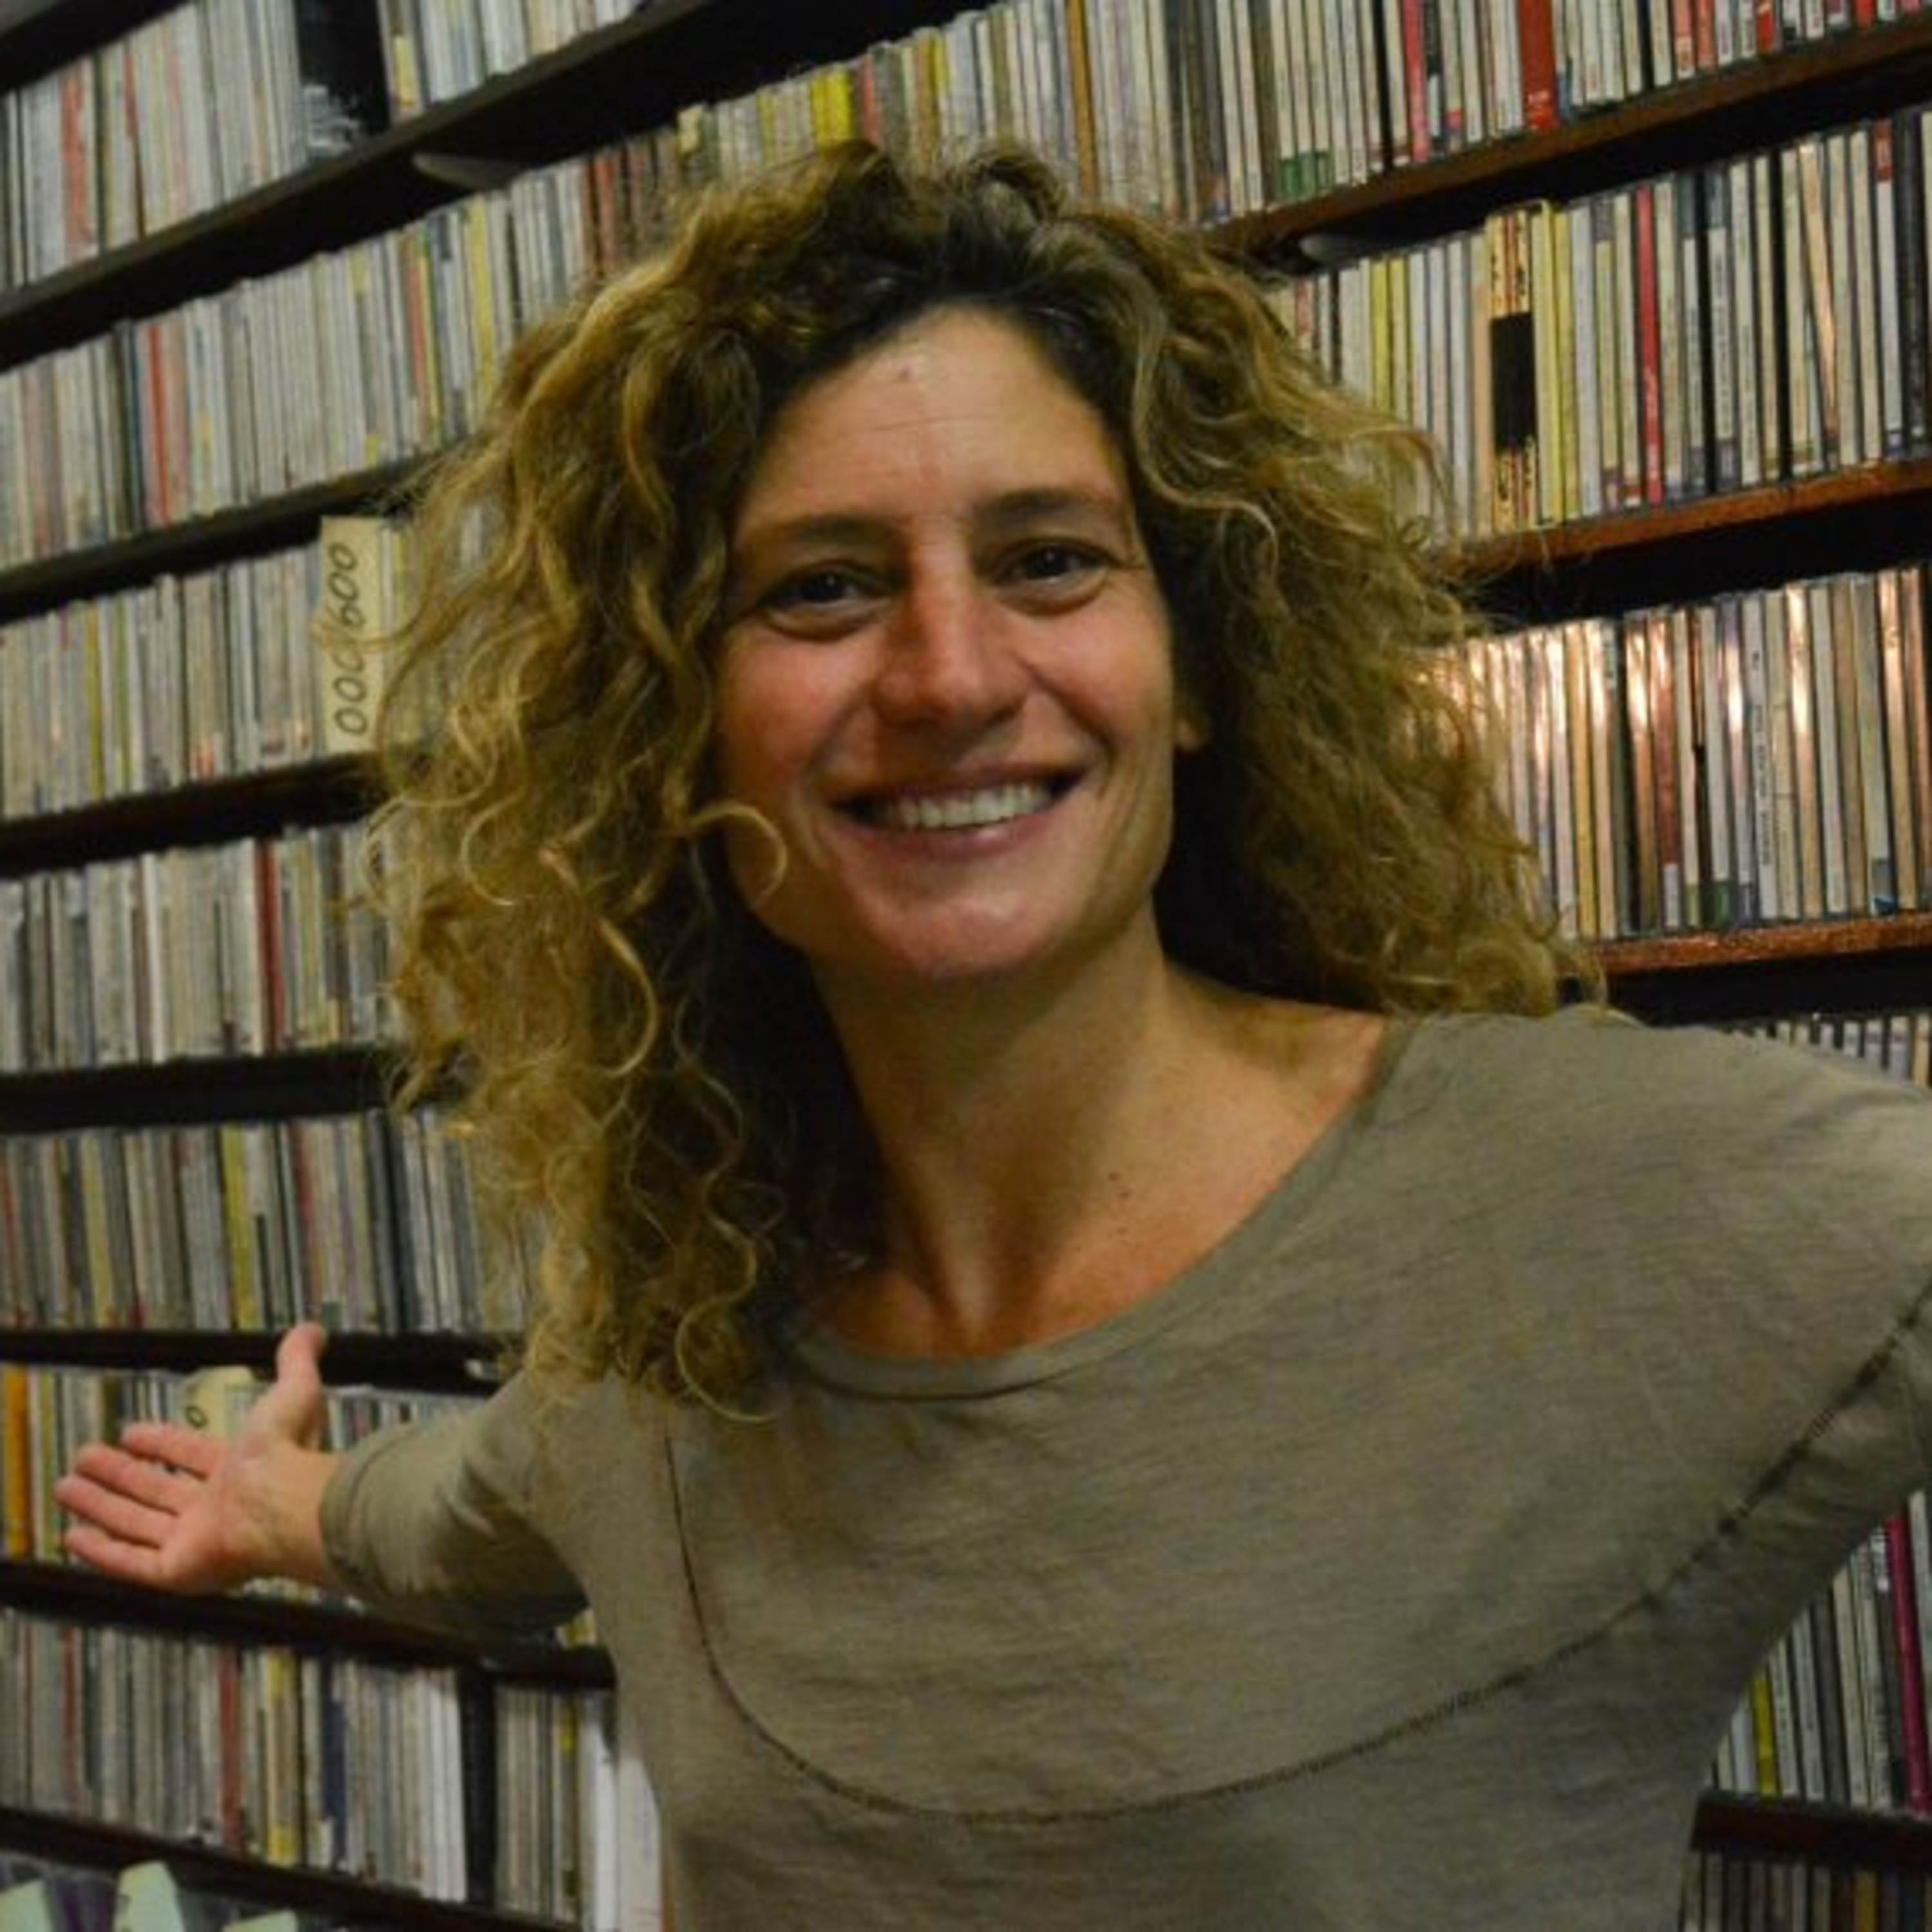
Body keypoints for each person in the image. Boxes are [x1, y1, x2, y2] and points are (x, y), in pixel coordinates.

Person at [54, 142, 1932, 1929]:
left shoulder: (1607, 1200)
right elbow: (459, 1512)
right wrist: (272, 1502)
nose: (950, 676)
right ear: (672, 729)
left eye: (1048, 560)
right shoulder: (674, 1344)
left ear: (1194, 667)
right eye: (823, 587)